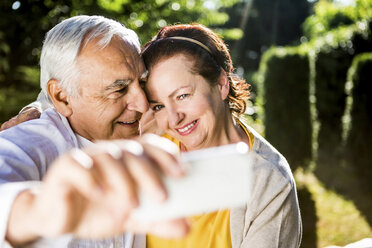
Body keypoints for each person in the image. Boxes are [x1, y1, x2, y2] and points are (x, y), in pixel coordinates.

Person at [0, 15, 189, 248]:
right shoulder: (30, 142)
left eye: (140, 83)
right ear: (61, 96)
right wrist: (35, 212)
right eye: (118, 90)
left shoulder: (157, 124)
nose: (142, 104)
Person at [138, 24, 302, 247]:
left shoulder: (269, 182)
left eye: (183, 95)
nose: (174, 119)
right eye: (158, 106)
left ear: (222, 84)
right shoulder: (150, 147)